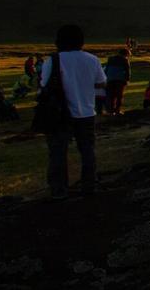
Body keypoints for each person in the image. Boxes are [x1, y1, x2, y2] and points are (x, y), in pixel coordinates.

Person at [40, 24, 107, 200]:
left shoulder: (53, 61)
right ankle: (89, 185)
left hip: (60, 114)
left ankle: (59, 190)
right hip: (86, 111)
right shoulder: (92, 60)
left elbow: (43, 85)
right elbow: (101, 83)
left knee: (57, 152)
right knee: (87, 150)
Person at [104, 48, 131, 115]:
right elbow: (128, 71)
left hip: (110, 79)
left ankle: (110, 110)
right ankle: (117, 110)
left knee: (111, 95)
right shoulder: (125, 60)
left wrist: (106, 78)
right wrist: (127, 80)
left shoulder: (110, 58)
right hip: (120, 80)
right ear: (126, 54)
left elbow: (106, 69)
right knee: (119, 96)